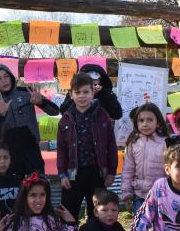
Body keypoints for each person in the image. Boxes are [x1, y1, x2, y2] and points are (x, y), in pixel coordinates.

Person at [57, 72, 118, 221]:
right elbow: (61, 150)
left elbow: (111, 146)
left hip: (97, 174)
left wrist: (111, 172)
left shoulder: (103, 115)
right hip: (73, 175)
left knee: (97, 214)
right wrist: (63, 174)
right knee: (68, 213)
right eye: (77, 92)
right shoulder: (65, 119)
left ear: (93, 93)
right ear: (71, 95)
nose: (82, 96)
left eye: (86, 92)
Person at [0, 63, 59, 177]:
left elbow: (55, 111)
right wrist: (2, 115)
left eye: (6, 76)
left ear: (11, 77)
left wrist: (41, 102)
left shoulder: (27, 92)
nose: (3, 81)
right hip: (10, 155)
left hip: (31, 150)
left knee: (38, 183)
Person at [120, 103, 167, 217]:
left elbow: (171, 170)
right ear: (136, 123)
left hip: (162, 195)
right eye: (141, 120)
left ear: (158, 122)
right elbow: (128, 169)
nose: (145, 124)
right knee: (139, 230)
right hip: (139, 194)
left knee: (161, 230)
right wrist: (127, 193)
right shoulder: (133, 143)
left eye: (150, 120)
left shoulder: (166, 142)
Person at [58, 63, 123, 120]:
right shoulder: (75, 92)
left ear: (100, 80)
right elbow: (64, 111)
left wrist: (104, 94)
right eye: (87, 80)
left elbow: (117, 115)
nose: (90, 82)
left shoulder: (105, 93)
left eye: (94, 79)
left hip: (99, 131)